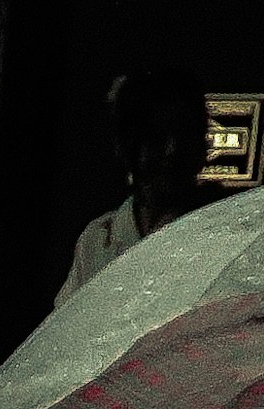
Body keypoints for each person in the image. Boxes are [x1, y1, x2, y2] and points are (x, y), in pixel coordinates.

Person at [52, 71, 214, 305]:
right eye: (157, 137)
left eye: (184, 136)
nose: (171, 151)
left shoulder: (215, 235)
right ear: (129, 146)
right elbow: (66, 326)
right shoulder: (97, 241)